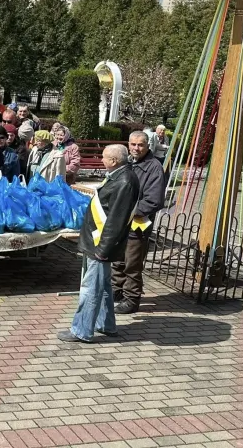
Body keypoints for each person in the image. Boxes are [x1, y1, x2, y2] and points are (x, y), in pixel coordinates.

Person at [59, 145, 140, 343]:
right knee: (103, 286)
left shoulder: (124, 181)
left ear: (114, 161)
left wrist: (103, 249)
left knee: (91, 288)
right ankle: (106, 324)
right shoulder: (118, 175)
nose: (101, 160)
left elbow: (116, 221)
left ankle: (81, 330)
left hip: (99, 244)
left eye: (104, 158)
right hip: (96, 241)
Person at [112, 131, 166, 315]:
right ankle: (116, 290)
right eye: (133, 144)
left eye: (140, 145)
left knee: (132, 263)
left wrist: (128, 211)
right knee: (118, 259)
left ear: (148, 145)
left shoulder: (154, 167)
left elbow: (154, 200)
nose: (136, 148)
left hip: (138, 224)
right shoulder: (127, 162)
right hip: (121, 222)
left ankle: (132, 298)